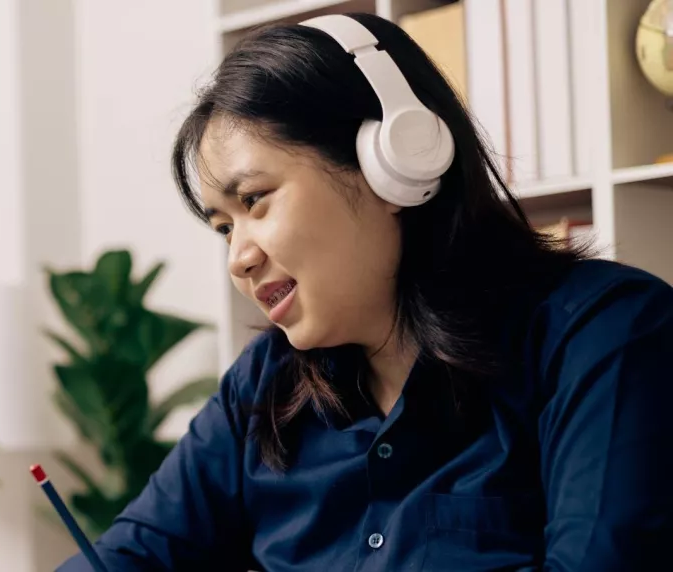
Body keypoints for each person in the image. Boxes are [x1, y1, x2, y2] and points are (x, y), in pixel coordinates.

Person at [56, 12, 673, 572]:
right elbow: (127, 558)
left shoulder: (604, 335)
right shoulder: (264, 388)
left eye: (254, 201)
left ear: (397, 163)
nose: (238, 259)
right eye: (223, 228)